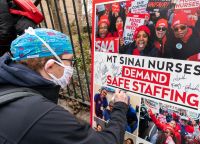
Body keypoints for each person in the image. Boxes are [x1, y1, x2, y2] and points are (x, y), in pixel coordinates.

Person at [0, 27, 129, 144]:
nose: (71, 67)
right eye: (70, 61)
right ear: (50, 66)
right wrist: (120, 108)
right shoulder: (44, 116)